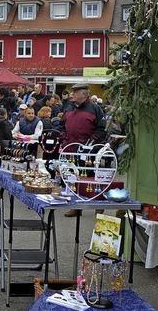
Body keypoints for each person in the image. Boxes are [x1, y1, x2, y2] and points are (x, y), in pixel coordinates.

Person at [60, 83, 106, 217]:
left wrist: (91, 142)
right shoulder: (69, 107)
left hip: (88, 150)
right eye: (72, 92)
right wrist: (63, 137)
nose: (72, 94)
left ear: (84, 95)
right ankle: (76, 206)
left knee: (91, 178)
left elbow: (101, 129)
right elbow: (62, 124)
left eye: (75, 92)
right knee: (73, 178)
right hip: (71, 148)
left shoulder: (95, 108)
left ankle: (98, 204)